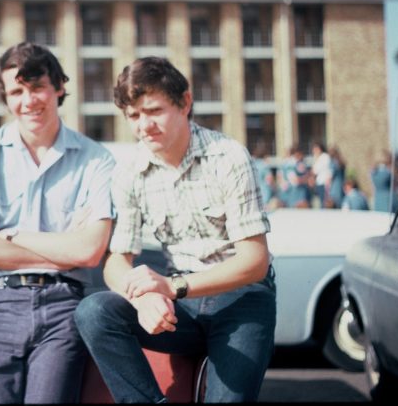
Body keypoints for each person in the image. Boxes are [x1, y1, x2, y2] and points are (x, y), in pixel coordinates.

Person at [74, 57, 276, 403]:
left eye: (153, 110)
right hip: (180, 305)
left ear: (185, 102)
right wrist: (144, 295)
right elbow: (116, 260)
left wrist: (171, 286)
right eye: (134, 116)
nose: (144, 126)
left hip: (243, 298)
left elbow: (254, 261)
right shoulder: (129, 173)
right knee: (93, 312)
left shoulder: (228, 157)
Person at [0, 41, 115, 403]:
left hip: (63, 308)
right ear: (6, 98)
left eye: (38, 86)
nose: (29, 100)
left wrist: (12, 237)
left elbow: (90, 252)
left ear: (58, 87)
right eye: (17, 91)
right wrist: (62, 251)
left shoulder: (96, 160)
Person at [311, 140, 332, 208]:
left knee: (324, 201)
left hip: (324, 183)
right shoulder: (318, 157)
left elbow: (315, 170)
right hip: (319, 182)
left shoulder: (324, 157)